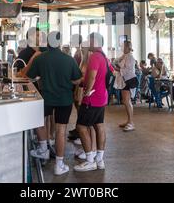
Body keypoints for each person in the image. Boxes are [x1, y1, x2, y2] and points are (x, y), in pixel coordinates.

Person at [27, 31, 82, 176]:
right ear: (58, 42)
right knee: (61, 131)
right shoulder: (68, 59)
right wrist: (66, 81)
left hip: (46, 98)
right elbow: (77, 80)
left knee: (38, 121)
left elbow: (30, 76)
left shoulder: (40, 58)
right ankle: (59, 165)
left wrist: (43, 77)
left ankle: (43, 148)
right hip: (64, 100)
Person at [74, 32, 113, 172]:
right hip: (102, 97)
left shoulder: (95, 57)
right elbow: (110, 74)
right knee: (99, 125)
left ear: (95, 41)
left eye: (89, 40)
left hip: (92, 98)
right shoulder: (105, 57)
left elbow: (92, 77)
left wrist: (86, 90)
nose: (87, 43)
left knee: (81, 127)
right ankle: (100, 160)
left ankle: (90, 160)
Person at [116, 41, 138, 132]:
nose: (122, 48)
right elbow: (118, 63)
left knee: (127, 101)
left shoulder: (130, 57)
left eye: (124, 46)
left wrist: (117, 68)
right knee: (125, 101)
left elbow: (128, 70)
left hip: (129, 80)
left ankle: (131, 123)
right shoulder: (124, 56)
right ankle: (129, 121)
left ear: (128, 47)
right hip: (125, 80)